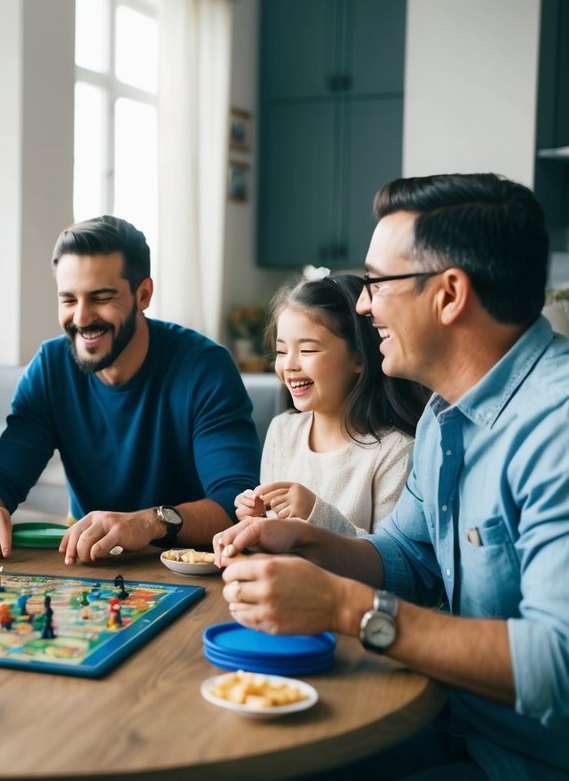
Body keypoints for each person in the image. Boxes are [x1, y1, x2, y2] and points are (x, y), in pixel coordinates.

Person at [215, 174, 569, 778]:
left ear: (449, 294)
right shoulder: (443, 413)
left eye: (377, 282)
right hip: (446, 718)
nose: (362, 303)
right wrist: (306, 540)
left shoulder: (555, 426)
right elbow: (411, 553)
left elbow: (555, 665)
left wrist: (345, 608)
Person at [0, 215, 260, 562]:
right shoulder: (51, 367)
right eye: (69, 299)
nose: (82, 318)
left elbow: (235, 502)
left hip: (192, 564)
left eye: (101, 297)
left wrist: (150, 522)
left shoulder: (205, 367)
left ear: (143, 294)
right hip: (93, 564)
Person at [234, 273, 428, 535]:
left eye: (308, 350)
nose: (289, 364)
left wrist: (315, 512)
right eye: (281, 351)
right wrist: (255, 520)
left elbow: (393, 559)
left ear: (359, 357)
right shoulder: (282, 431)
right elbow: (275, 540)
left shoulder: (395, 453)